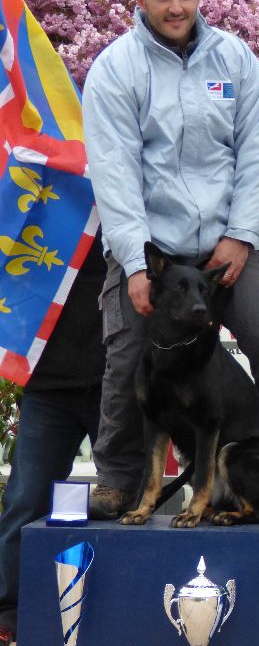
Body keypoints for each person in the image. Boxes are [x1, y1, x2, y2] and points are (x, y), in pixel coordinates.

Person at [81, 0, 259, 524]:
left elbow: (257, 152)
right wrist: (133, 264)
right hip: (152, 252)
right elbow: (114, 172)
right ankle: (117, 481)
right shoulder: (115, 69)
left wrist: (244, 234)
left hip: (227, 249)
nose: (176, 8)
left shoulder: (237, 60)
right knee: (127, 357)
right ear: (140, 0)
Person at [0, 236, 105, 644]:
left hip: (114, 384)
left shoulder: (128, 200)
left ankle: (135, 603)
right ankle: (8, 616)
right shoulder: (45, 205)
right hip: (46, 385)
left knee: (130, 503)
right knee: (25, 500)